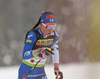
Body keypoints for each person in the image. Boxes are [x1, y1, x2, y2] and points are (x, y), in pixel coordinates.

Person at [18, 11, 63, 79]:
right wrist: (39, 51)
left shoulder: (54, 36)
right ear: (41, 24)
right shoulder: (33, 34)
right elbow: (25, 55)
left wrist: (56, 68)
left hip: (40, 72)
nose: (50, 30)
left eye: (53, 26)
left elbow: (56, 51)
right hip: (27, 71)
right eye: (48, 26)